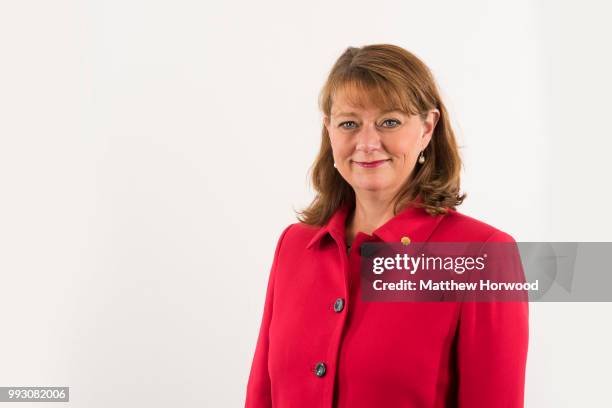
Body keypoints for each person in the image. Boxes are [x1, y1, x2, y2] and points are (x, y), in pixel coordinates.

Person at [244, 44, 529, 408]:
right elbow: (261, 397)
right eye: (349, 123)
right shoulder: (294, 245)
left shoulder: (484, 255)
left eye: (389, 122)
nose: (366, 143)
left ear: (427, 128)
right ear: (328, 130)